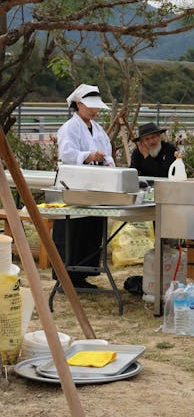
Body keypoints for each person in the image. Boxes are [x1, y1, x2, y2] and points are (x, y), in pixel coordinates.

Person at [54, 84, 113, 289]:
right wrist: (87, 156)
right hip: (75, 185)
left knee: (91, 228)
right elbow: (66, 154)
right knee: (72, 230)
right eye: (90, 107)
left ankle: (84, 274)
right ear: (78, 104)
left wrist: (106, 161)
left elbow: (108, 152)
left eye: (96, 107)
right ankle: (65, 276)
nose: (94, 111)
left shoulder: (98, 129)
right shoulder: (69, 128)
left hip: (96, 185)